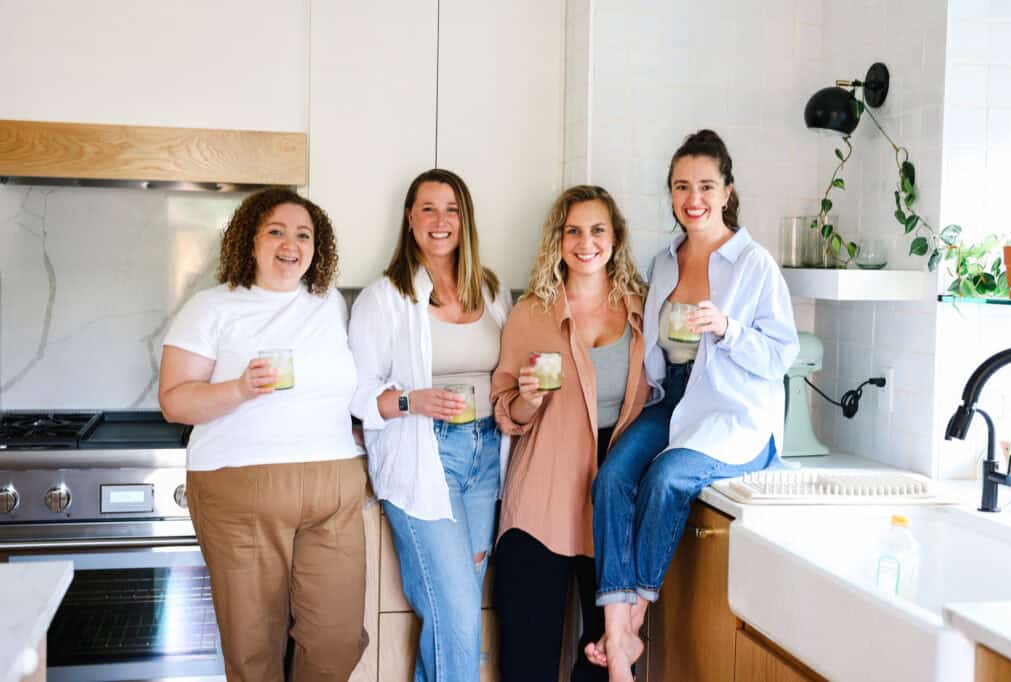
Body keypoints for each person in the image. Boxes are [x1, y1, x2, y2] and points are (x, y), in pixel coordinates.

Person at [583, 129, 799, 682]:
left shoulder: (754, 265)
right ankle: (616, 627)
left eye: (705, 185)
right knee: (610, 479)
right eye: (682, 186)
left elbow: (782, 355)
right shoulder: (663, 261)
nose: (693, 198)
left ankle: (630, 622)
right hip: (674, 399)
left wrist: (727, 329)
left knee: (669, 477)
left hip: (732, 412)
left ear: (727, 191)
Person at [158, 188, 368, 681]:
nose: (290, 244)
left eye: (303, 234)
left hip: (332, 488)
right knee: (253, 647)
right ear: (248, 242)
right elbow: (175, 401)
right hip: (238, 490)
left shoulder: (329, 303)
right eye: (275, 231)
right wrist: (238, 388)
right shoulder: (211, 307)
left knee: (336, 640)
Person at [348, 168, 512, 682]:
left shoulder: (491, 289)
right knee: (459, 614)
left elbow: (505, 368)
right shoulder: (384, 298)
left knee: (450, 614)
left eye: (452, 210)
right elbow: (356, 395)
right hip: (424, 456)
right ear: (409, 219)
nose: (441, 221)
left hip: (485, 457)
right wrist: (410, 400)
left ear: (466, 220)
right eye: (428, 209)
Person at [491, 185, 649, 681]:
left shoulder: (642, 310)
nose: (586, 241)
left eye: (597, 229)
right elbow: (504, 410)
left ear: (616, 237)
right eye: (573, 231)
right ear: (558, 241)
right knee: (527, 660)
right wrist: (529, 398)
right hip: (542, 503)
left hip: (615, 508)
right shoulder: (530, 313)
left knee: (604, 658)